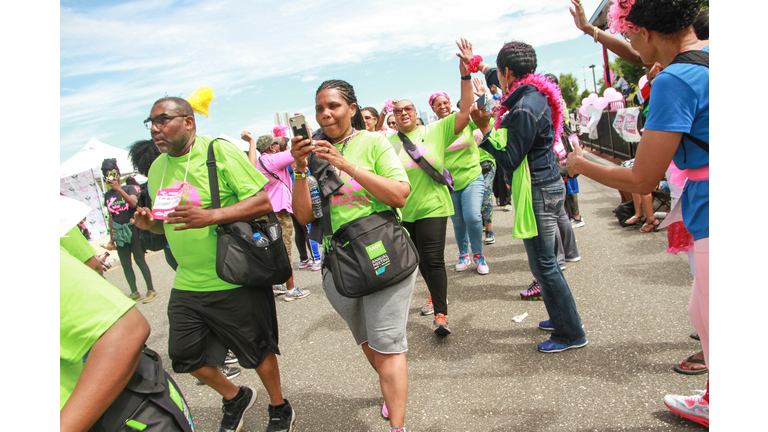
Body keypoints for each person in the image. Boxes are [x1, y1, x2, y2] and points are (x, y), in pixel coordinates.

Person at [567, 0, 708, 426]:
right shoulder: (709, 56)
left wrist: (581, 164)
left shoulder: (675, 81)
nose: (628, 42)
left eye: (629, 33)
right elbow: (638, 54)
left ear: (646, 31)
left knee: (714, 312)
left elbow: (642, 180)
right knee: (701, 310)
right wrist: (593, 32)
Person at [133, 97, 295, 432]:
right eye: (150, 122)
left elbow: (263, 200)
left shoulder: (217, 150)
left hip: (235, 275)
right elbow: (166, 222)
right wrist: (150, 223)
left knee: (258, 352)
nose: (155, 128)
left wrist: (212, 216)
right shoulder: (156, 168)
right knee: (184, 357)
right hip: (188, 282)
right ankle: (235, 396)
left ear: (188, 122)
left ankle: (279, 406)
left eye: (162, 120)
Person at [291, 79, 414, 432]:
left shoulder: (374, 141)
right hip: (338, 265)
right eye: (319, 108)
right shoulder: (312, 155)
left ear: (352, 108)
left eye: (334, 105)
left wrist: (346, 165)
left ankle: (398, 426)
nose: (325, 114)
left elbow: (400, 195)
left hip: (381, 252)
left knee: (388, 344)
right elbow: (303, 217)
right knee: (370, 342)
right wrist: (301, 168)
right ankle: (393, 390)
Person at [472, 40, 587, 353]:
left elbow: (510, 158)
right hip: (546, 182)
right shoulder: (536, 96)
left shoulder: (523, 107)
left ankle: (569, 332)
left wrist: (483, 131)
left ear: (507, 72)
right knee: (545, 262)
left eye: (499, 72)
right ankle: (561, 317)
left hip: (537, 187)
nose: (499, 77)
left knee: (543, 264)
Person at [387, 43, 473, 335]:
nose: (403, 113)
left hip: (434, 206)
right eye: (398, 111)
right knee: (419, 261)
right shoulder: (391, 142)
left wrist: (465, 76)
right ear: (394, 117)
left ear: (416, 112)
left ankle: (441, 314)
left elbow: (465, 111)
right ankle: (437, 298)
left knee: (434, 259)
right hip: (404, 211)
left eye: (408, 108)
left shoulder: (434, 130)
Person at [428, 82, 490, 276]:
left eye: (445, 102)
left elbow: (482, 115)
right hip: (450, 183)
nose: (443, 107)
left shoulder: (463, 120)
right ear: (433, 108)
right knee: (458, 222)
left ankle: (478, 255)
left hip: (472, 176)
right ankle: (463, 255)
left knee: (472, 216)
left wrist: (482, 96)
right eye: (438, 104)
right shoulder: (433, 129)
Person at [244, 131, 311, 301]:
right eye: (276, 144)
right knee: (284, 251)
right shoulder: (272, 159)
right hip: (278, 214)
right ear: (272, 147)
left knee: (272, 251)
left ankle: (278, 284)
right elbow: (299, 151)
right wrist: (305, 132)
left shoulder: (260, 161)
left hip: (266, 213)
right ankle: (290, 289)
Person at [102, 159, 157, 303]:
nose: (111, 177)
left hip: (133, 230)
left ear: (118, 175)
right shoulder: (107, 196)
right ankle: (134, 292)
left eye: (113, 174)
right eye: (107, 175)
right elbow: (111, 216)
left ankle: (151, 290)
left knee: (140, 260)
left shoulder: (129, 189)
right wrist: (112, 237)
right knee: (126, 264)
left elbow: (133, 203)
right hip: (119, 233)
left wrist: (118, 189)